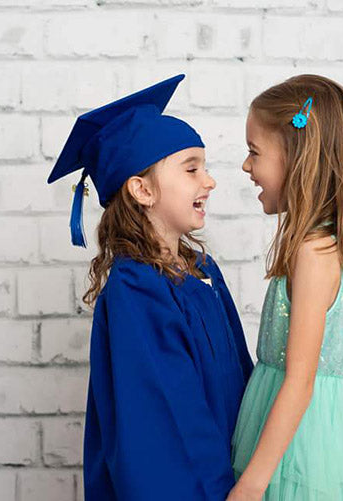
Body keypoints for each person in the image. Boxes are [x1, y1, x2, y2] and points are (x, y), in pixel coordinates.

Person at [47, 74, 254, 500]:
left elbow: (242, 376)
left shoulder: (201, 270)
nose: (210, 181)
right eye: (192, 168)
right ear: (141, 189)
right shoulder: (136, 289)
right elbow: (167, 422)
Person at [228, 75, 343, 500]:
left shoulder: (314, 252)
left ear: (296, 158)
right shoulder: (340, 242)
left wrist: (251, 483)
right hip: (320, 436)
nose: (246, 167)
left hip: (296, 447)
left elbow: (300, 382)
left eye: (254, 152)